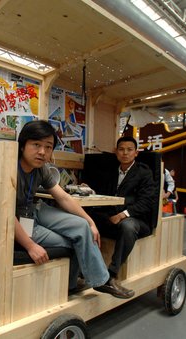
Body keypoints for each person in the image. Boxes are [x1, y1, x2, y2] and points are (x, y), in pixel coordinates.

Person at [13, 120, 133, 298]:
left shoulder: (42, 169)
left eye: (48, 147)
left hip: (34, 209)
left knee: (82, 226)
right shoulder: (9, 167)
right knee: (74, 241)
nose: (42, 152)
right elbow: (5, 215)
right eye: (36, 145)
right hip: (16, 218)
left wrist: (90, 222)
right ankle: (73, 284)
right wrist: (30, 246)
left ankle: (101, 281)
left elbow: (63, 197)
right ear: (22, 145)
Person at [87, 136, 157, 297]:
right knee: (86, 219)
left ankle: (111, 274)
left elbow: (147, 202)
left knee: (128, 226)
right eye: (121, 149)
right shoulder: (112, 171)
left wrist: (123, 215)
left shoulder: (144, 172)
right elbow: (105, 195)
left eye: (129, 149)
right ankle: (86, 269)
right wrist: (90, 191)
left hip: (137, 221)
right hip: (111, 215)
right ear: (116, 152)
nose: (125, 153)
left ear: (136, 153)